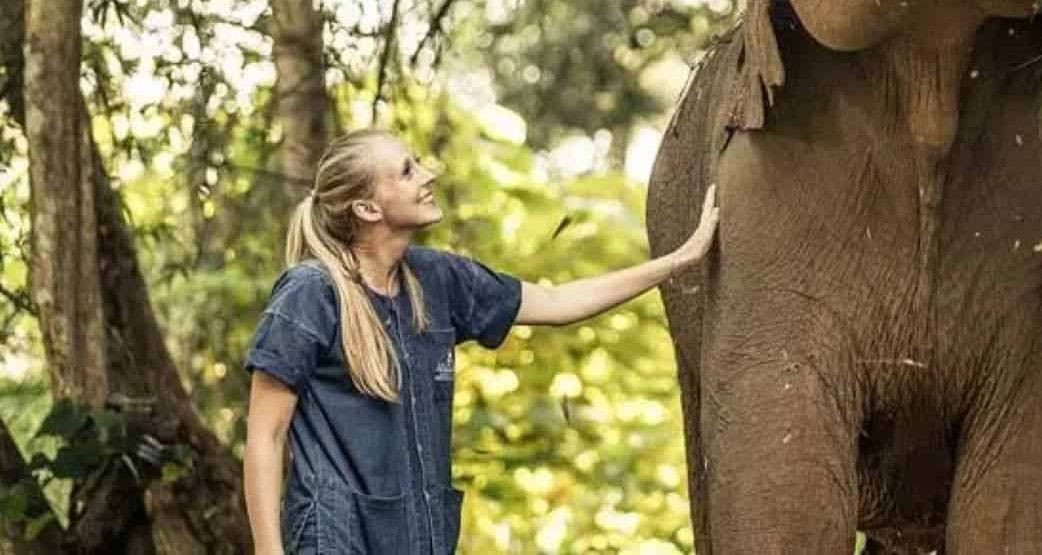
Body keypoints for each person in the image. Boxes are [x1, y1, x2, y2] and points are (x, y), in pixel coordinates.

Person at [241, 128, 717, 555]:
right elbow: (266, 435)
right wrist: (268, 549)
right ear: (368, 209)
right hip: (335, 538)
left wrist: (679, 260)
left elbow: (558, 302)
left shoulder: (439, 279)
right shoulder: (311, 293)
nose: (428, 175)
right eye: (408, 171)